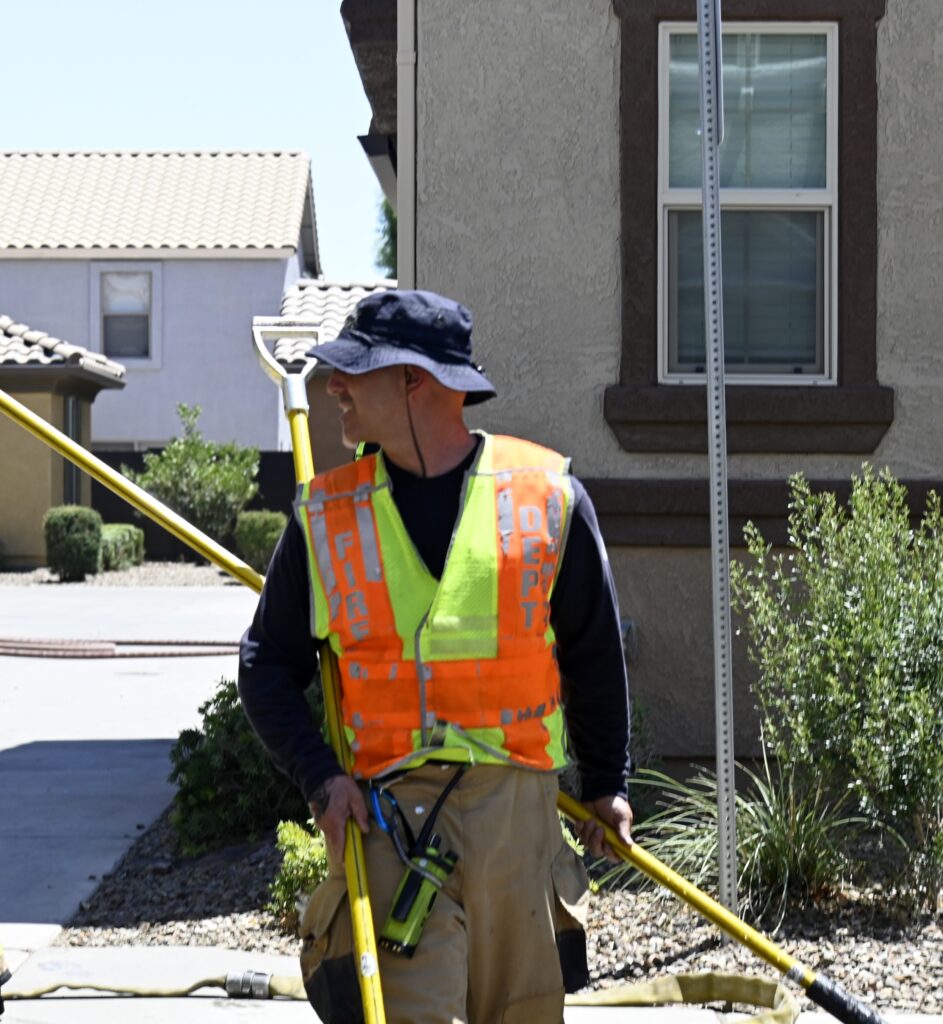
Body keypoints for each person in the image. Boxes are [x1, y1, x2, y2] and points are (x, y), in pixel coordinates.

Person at [238, 289, 632, 1024]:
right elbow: (265, 665)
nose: (336, 387)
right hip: (391, 818)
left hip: (518, 820)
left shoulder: (546, 498)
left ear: (412, 380)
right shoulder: (326, 517)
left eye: (355, 372)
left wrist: (608, 781)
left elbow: (593, 654)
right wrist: (320, 777)